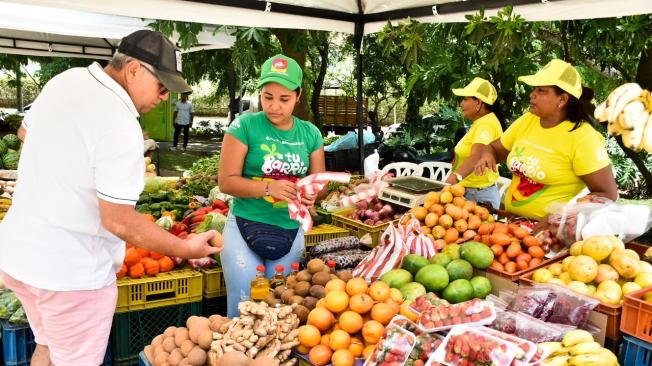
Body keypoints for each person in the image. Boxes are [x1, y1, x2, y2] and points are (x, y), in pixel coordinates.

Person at [0, 30, 221, 366]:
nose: (165, 97)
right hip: (71, 275)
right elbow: (117, 219)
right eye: (162, 86)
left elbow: (25, 133)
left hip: (20, 258)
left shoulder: (66, 81)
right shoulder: (119, 122)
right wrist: (185, 247)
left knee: (48, 347)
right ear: (133, 70)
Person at [218, 54, 325, 317]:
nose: (274, 106)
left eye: (284, 99)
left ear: (298, 96)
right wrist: (268, 188)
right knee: (243, 308)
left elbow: (318, 181)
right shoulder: (244, 125)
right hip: (244, 225)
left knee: (280, 308)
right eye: (267, 97)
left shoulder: (310, 133)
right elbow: (226, 181)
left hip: (290, 229)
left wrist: (313, 194)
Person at [474, 59, 618, 220]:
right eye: (534, 89)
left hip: (550, 237)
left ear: (562, 99)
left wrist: (556, 219)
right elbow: (494, 148)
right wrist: (487, 155)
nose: (532, 94)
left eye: (541, 90)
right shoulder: (528, 120)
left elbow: (607, 194)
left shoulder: (584, 138)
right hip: (514, 226)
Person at [446, 77, 505, 209]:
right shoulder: (482, 123)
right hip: (469, 192)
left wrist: (454, 178)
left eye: (465, 99)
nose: (461, 104)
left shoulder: (486, 124)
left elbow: (478, 155)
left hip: (477, 196)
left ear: (479, 102)